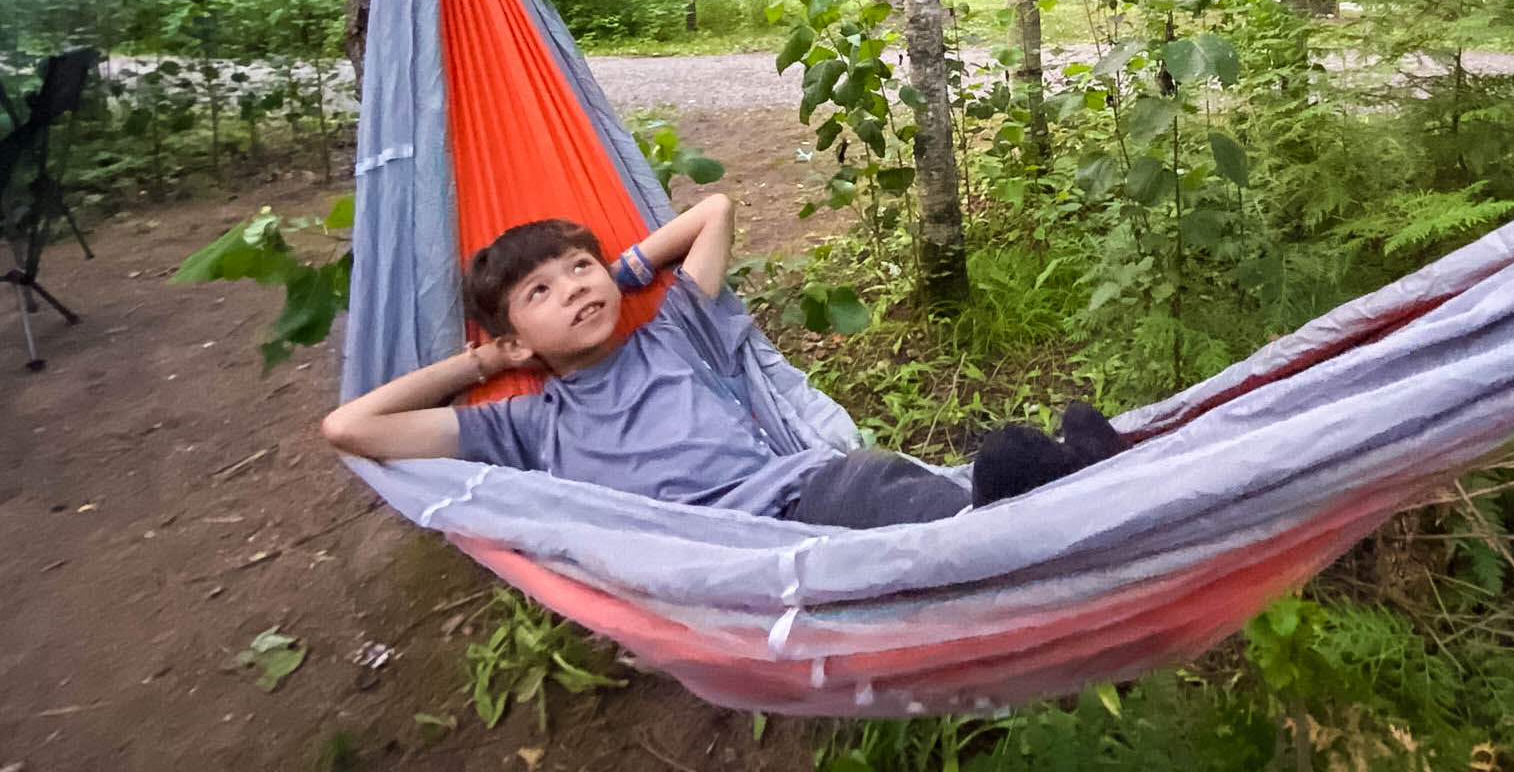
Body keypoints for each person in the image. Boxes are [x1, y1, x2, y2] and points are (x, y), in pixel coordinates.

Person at [320, 194, 1124, 528]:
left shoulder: (673, 333)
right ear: (516, 337)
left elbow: (714, 211)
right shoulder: (526, 424)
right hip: (715, 553)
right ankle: (1042, 501)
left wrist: (626, 269)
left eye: (579, 267)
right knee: (934, 483)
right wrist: (486, 365)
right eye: (540, 290)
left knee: (881, 480)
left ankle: (1030, 504)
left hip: (798, 501)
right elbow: (351, 426)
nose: (571, 287)